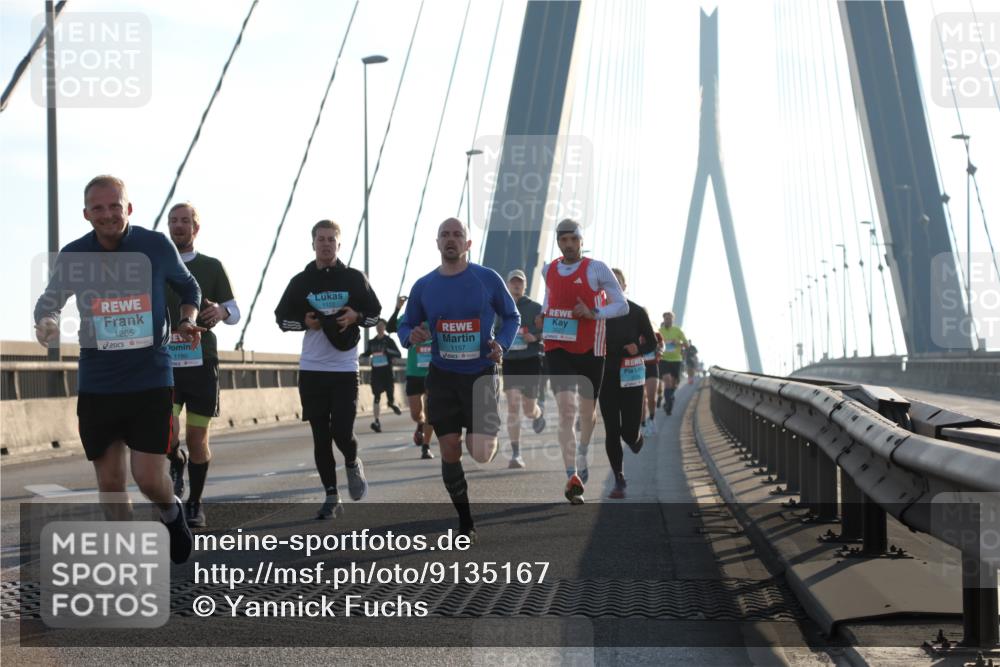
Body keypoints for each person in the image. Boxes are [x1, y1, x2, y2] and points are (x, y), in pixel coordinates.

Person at [33, 174, 200, 564]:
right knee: (110, 482)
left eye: (115, 206)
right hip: (99, 380)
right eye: (99, 208)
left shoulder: (155, 246)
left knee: (148, 478)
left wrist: (188, 318)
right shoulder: (75, 255)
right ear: (86, 214)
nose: (107, 214)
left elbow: (189, 287)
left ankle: (171, 511)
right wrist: (46, 322)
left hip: (150, 377)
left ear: (129, 208)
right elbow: (49, 301)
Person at [397, 218, 519, 542]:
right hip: (443, 376)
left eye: (457, 235)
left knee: (479, 452)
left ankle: (488, 434)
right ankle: (466, 522)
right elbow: (405, 325)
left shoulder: (487, 279)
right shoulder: (424, 286)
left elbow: (512, 316)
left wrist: (501, 344)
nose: (451, 240)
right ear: (437, 243)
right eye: (445, 235)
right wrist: (411, 335)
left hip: (481, 376)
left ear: (468, 244)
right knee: (450, 446)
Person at [275, 220, 381, 519]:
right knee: (320, 436)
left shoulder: (354, 278)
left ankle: (352, 462)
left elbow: (375, 315)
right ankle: (331, 496)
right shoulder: (301, 281)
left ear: (339, 244)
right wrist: (304, 323)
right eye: (320, 239)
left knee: (342, 431)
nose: (325, 244)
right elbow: (281, 319)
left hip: (344, 369)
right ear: (313, 243)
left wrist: (356, 316)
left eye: (331, 239)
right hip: (312, 369)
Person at [538, 218, 628, 504]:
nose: (568, 245)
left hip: (591, 348)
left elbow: (621, 305)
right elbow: (549, 298)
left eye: (573, 240)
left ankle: (583, 449)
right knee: (567, 410)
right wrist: (542, 315)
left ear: (581, 241)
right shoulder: (548, 269)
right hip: (557, 346)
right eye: (563, 240)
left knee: (587, 413)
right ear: (558, 242)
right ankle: (572, 476)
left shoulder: (597, 269)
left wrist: (594, 312)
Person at [164, 202, 240, 529]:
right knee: (165, 434)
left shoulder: (211, 266)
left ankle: (195, 503)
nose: (179, 226)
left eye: (185, 221)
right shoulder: (156, 266)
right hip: (163, 364)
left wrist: (221, 312)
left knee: (197, 439)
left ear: (196, 228)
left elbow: (234, 312)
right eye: (174, 221)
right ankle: (174, 459)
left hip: (201, 362)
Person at [599, 269, 656, 499]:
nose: (612, 287)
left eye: (617, 282)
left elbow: (652, 343)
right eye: (607, 283)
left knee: (629, 433)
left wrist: (638, 349)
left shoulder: (637, 312)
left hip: (631, 376)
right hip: (606, 376)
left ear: (624, 286)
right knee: (612, 429)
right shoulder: (597, 313)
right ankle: (619, 478)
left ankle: (635, 438)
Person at [500, 269, 546, 469]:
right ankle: (516, 453)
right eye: (513, 282)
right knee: (513, 406)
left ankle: (538, 413)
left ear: (525, 286)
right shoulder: (501, 308)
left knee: (528, 410)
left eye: (520, 282)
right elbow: (493, 331)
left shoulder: (536, 308)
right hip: (510, 361)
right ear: (508, 285)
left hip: (530, 360)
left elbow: (549, 330)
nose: (516, 285)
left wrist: (535, 337)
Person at [387, 296, 434, 460]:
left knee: (430, 411)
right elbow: (390, 327)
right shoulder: (408, 319)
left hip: (433, 372)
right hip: (414, 372)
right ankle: (420, 424)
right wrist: (397, 308)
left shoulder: (436, 316)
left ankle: (426, 447)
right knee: (416, 414)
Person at [360, 318, 402, 433]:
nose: (379, 328)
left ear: (384, 328)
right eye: (378, 326)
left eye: (381, 326)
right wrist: (361, 355)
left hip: (387, 373)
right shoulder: (372, 342)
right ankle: (376, 421)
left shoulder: (389, 341)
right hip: (376, 373)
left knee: (390, 397)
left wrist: (388, 352)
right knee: (376, 396)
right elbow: (368, 353)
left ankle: (391, 404)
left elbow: (398, 353)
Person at [658, 311, 688, 416]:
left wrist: (678, 343)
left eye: (670, 319)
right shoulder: (659, 331)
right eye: (666, 319)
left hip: (676, 360)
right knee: (667, 381)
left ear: (673, 320)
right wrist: (660, 346)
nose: (668, 321)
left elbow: (687, 345)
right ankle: (668, 404)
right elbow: (654, 344)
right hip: (664, 360)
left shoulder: (677, 330)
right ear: (663, 319)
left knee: (674, 384)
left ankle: (669, 398)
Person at [641, 329, 663, 437]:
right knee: (641, 400)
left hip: (652, 367)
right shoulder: (633, 332)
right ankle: (643, 425)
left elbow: (662, 345)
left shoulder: (656, 334)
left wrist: (660, 350)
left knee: (651, 397)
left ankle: (652, 419)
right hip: (638, 367)